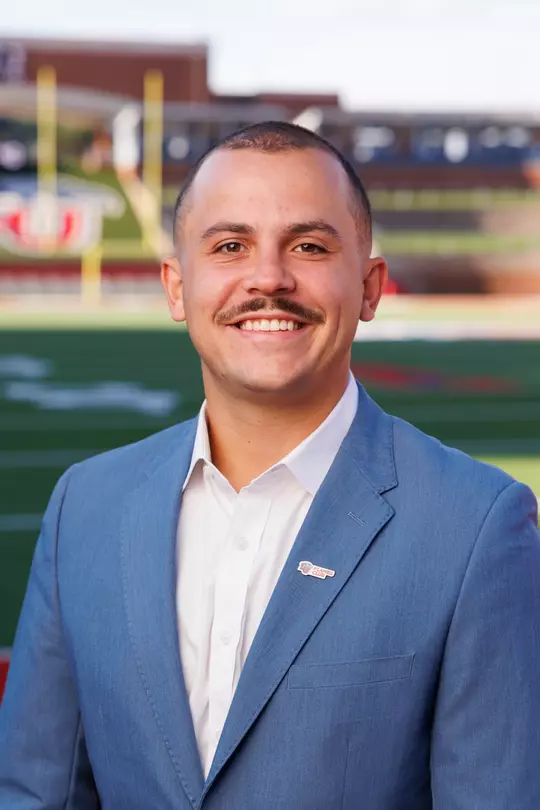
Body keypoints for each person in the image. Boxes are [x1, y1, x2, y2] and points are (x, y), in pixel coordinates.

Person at [0, 121, 539, 810]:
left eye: (309, 246)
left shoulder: (476, 527)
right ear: (175, 285)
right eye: (230, 246)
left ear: (371, 287)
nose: (267, 279)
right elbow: (34, 793)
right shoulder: (86, 505)